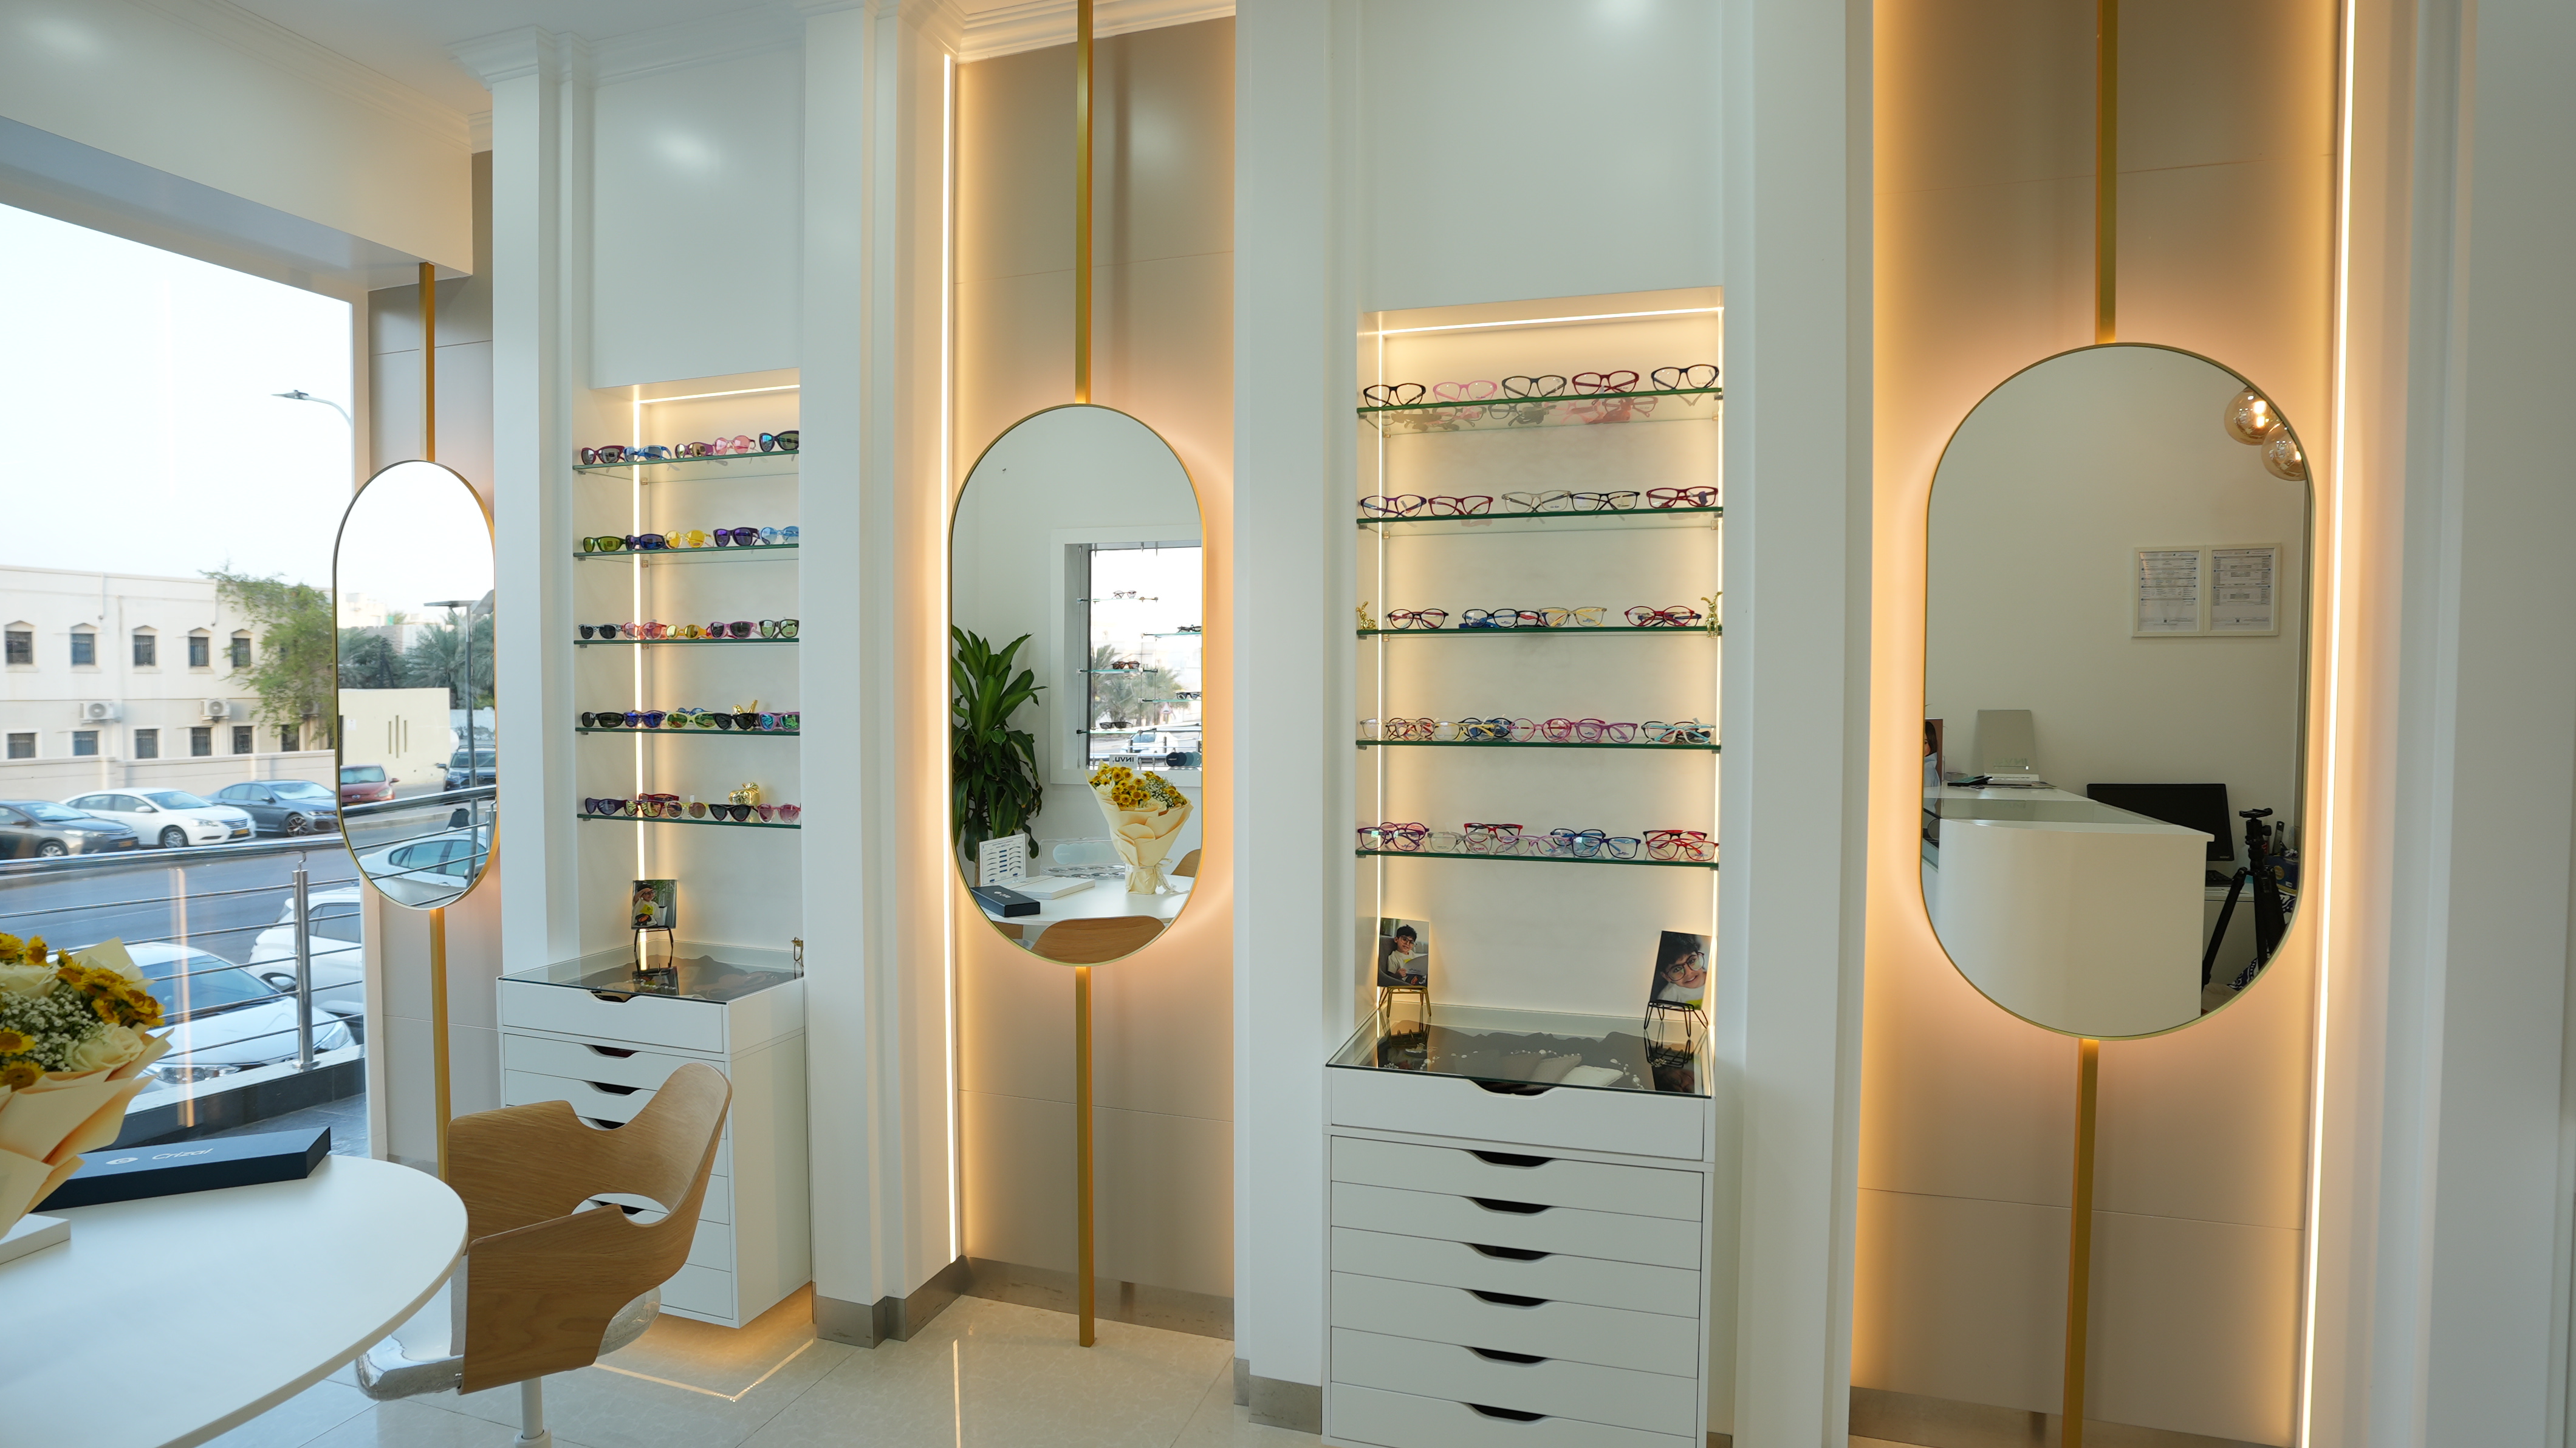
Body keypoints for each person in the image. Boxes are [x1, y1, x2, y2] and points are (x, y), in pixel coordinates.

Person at [1652, 933, 1708, 1008]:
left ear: (1698, 957)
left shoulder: (1717, 980)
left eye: (1692, 961)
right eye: (1677, 969)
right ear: (1666, 976)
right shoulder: (1668, 998)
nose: (1689, 973)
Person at [1377, 923, 1427, 988]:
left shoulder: (1412, 953)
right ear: (1396, 940)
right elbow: (1390, 978)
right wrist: (1398, 975)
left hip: (1417, 980)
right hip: (1405, 983)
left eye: (1411, 942)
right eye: (1404, 939)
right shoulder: (1393, 957)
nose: (1407, 944)